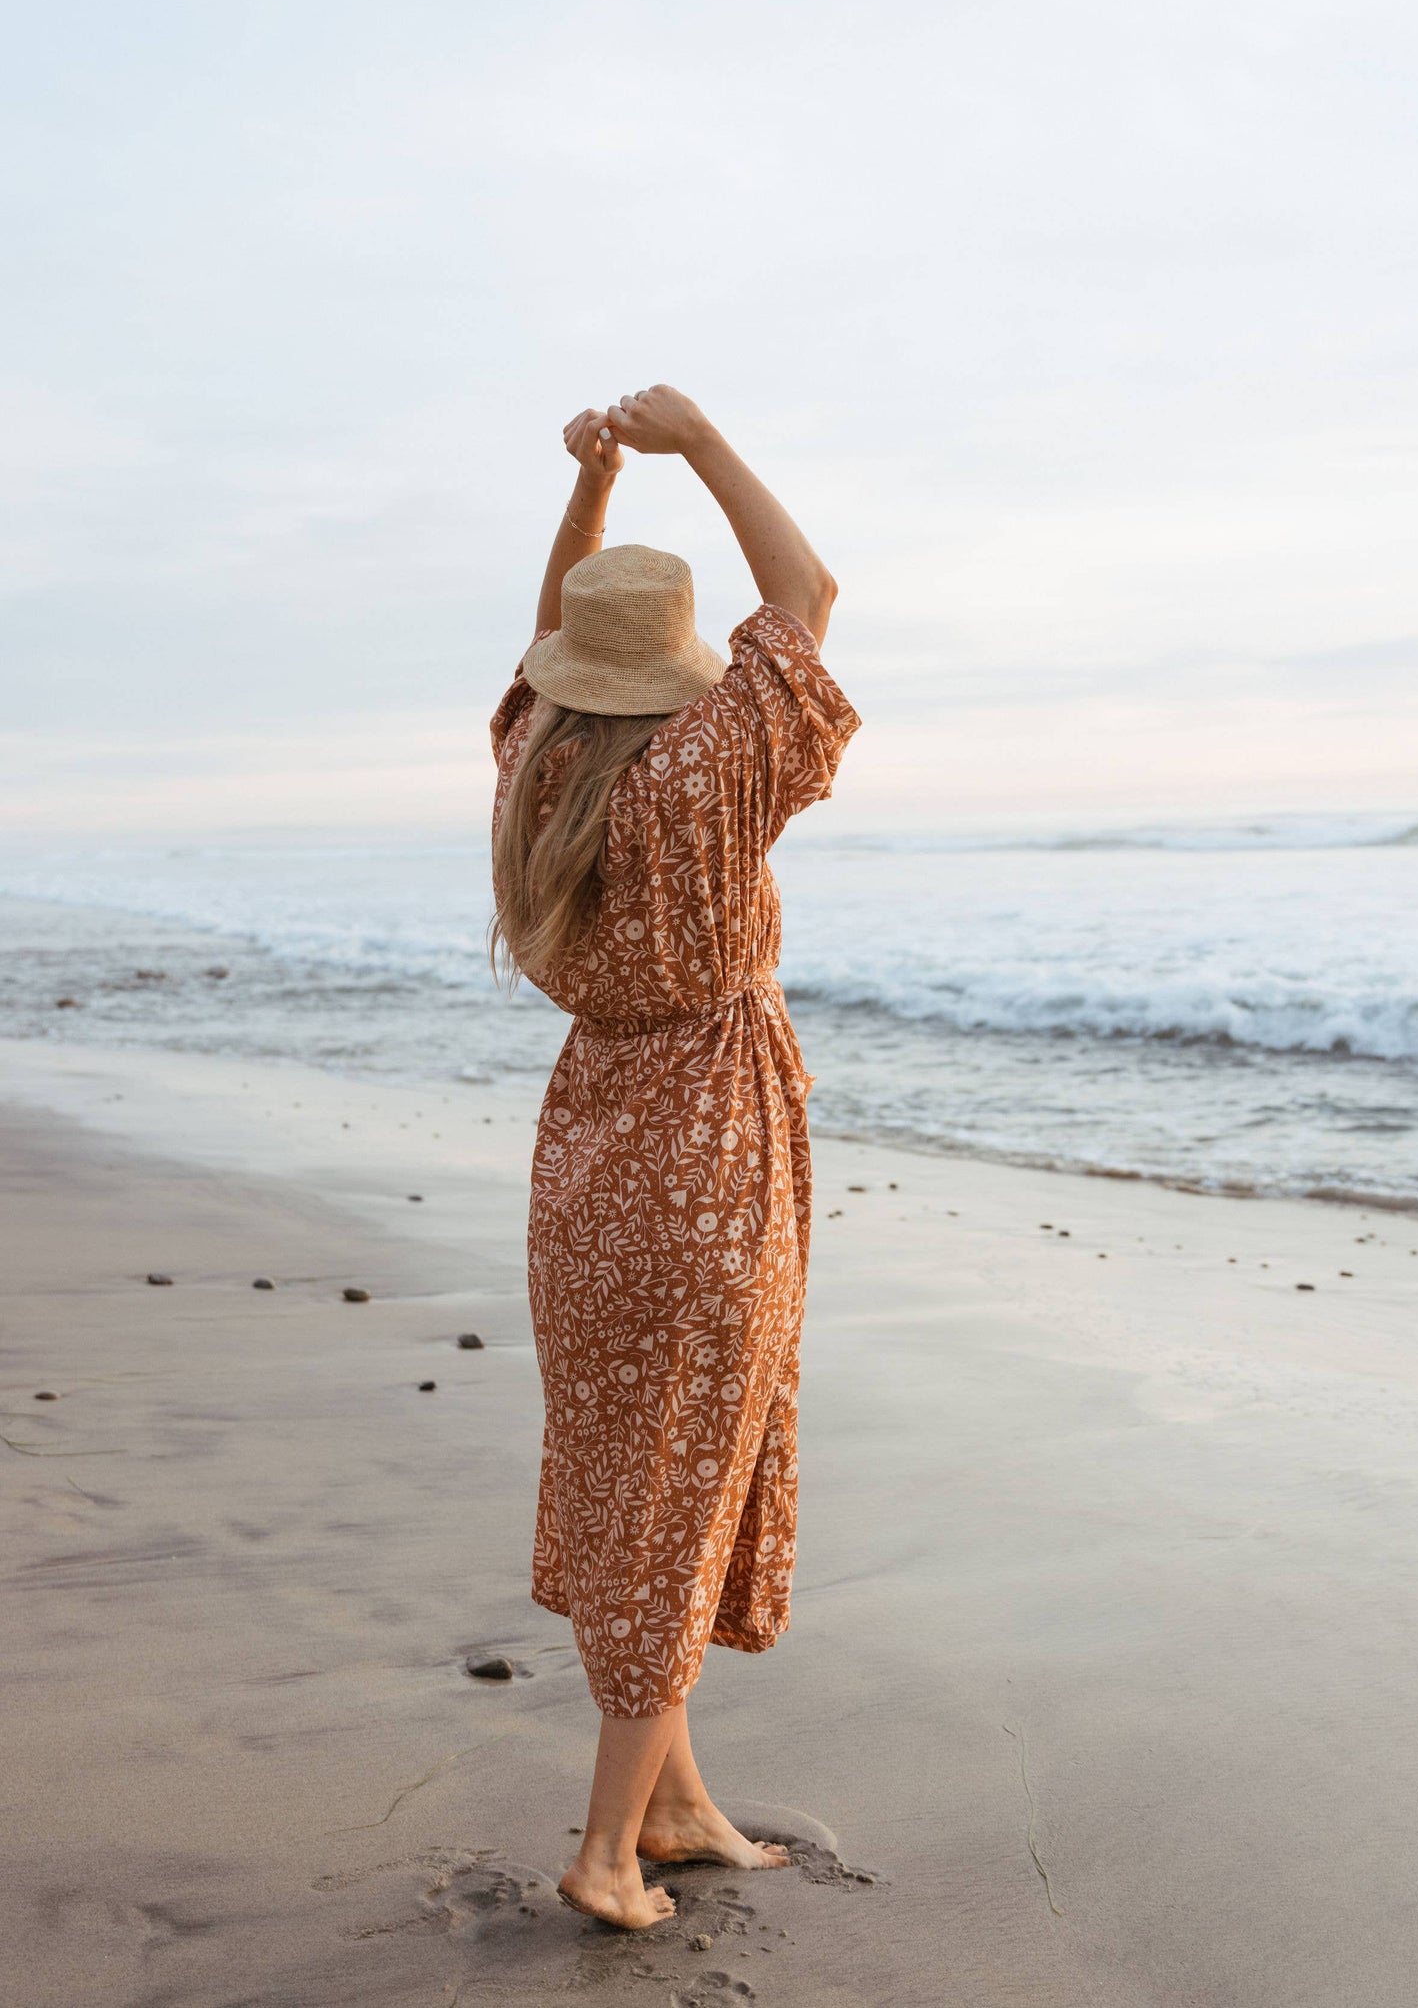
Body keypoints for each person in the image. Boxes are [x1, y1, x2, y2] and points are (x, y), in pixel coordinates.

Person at [489, 385, 859, 1929]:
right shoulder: (708, 771)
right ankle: (599, 1851)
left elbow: (537, 647)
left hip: (589, 1149)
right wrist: (696, 442)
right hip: (709, 1143)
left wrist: (587, 490)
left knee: (637, 1465)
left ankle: (681, 1802)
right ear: (671, 664)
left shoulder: (536, 764)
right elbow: (806, 596)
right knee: (682, 1478)